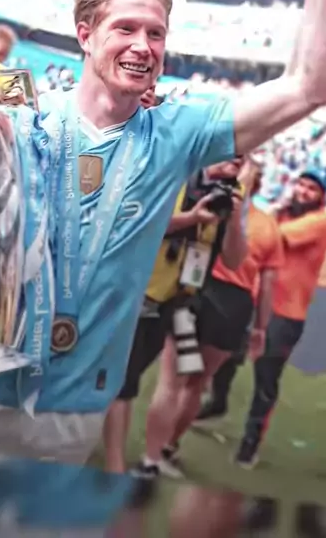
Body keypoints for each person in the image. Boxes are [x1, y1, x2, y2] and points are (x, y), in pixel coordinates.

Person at [0, 0, 326, 462]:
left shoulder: (178, 132)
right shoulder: (20, 116)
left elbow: (307, 87)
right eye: (126, 28)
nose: (143, 45)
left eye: (156, 34)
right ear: (86, 35)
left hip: (68, 413)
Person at [104, 155, 247, 477]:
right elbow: (136, 224)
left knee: (162, 379)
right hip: (137, 294)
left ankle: (150, 458)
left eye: (244, 158)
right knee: (121, 382)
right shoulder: (173, 172)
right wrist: (191, 219)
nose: (238, 161)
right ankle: (113, 465)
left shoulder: (232, 196)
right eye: (234, 153)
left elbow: (234, 260)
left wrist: (234, 219)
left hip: (179, 302)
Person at [235, 167, 326, 467]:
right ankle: (218, 400)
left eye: (311, 189)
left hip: (286, 313)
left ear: (321, 198)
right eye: (301, 184)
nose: (303, 191)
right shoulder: (283, 214)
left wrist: (267, 215)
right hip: (254, 299)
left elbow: (274, 238)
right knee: (223, 355)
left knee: (266, 377)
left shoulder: (320, 221)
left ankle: (250, 442)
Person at [196, 161, 284, 423]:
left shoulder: (209, 204)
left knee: (179, 377)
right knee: (196, 380)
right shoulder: (269, 226)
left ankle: (164, 442)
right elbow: (267, 283)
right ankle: (170, 440)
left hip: (202, 289)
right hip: (233, 302)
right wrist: (260, 327)